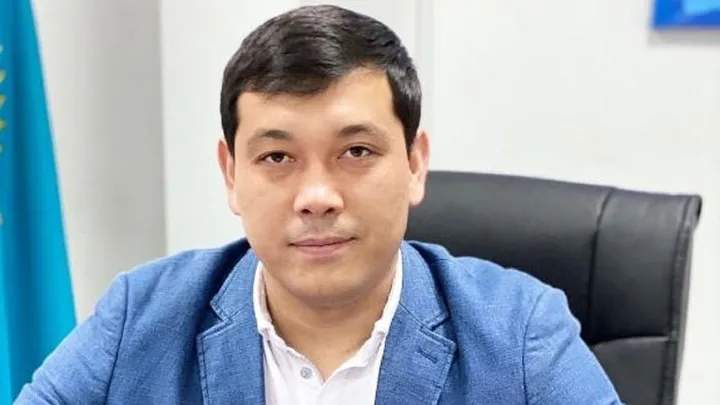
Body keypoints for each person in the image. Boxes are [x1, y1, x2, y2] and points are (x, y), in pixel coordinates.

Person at [15, 5, 622, 405]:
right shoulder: (139, 319)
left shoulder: (520, 335)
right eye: (277, 157)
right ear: (231, 174)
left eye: (356, 151)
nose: (317, 198)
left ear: (415, 164)